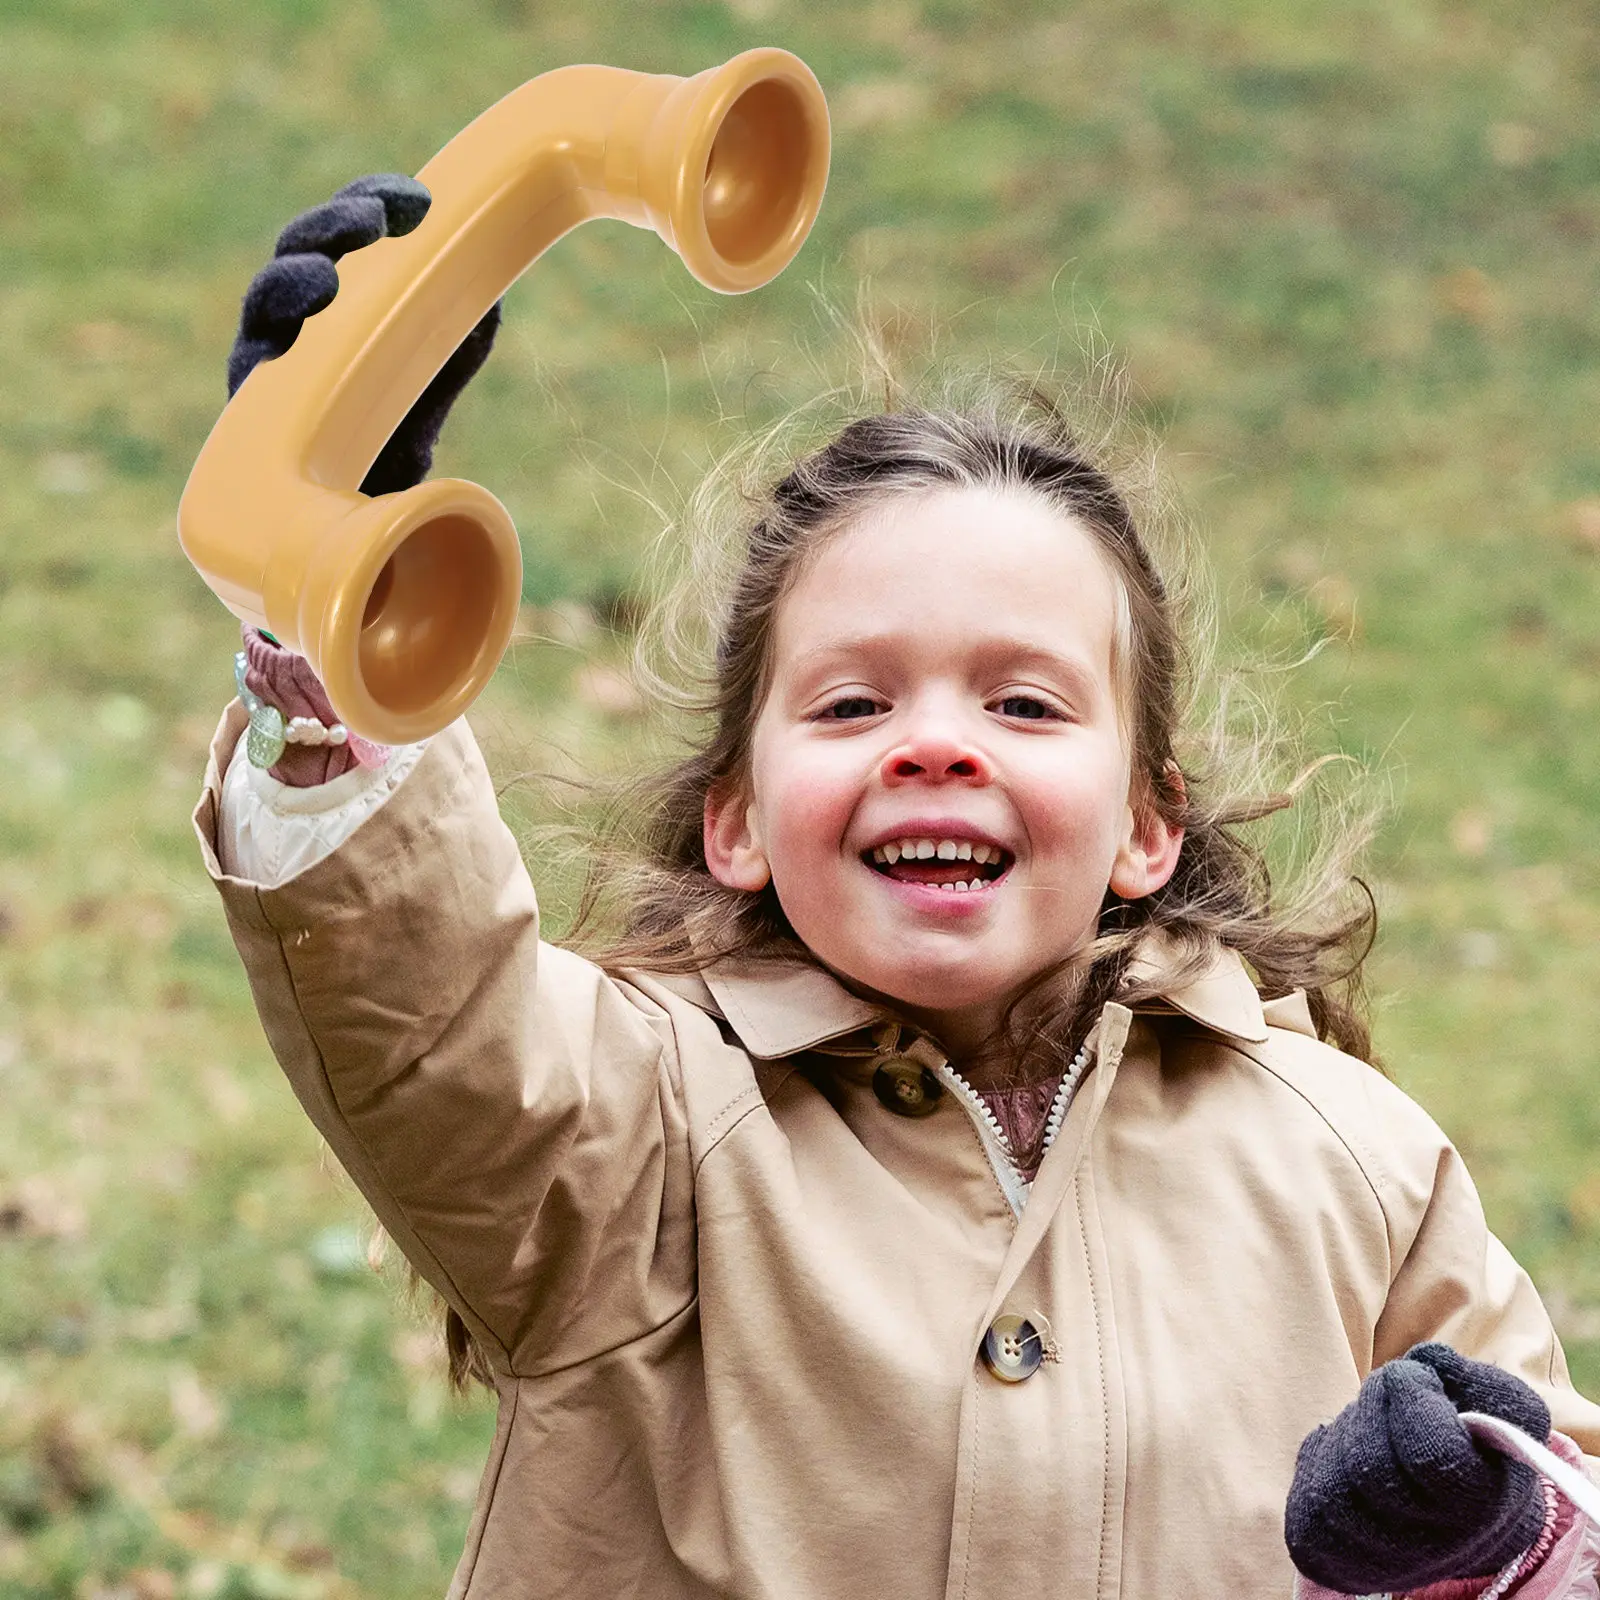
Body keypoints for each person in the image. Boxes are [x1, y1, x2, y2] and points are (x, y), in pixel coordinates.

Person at [194, 175, 1600, 1600]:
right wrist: (337, 598)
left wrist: (1481, 1555)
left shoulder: (1354, 1164)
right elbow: (421, 1008)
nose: (936, 743)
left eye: (1028, 706)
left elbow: (1558, 1511)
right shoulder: (630, 1130)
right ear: (737, 818)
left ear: (1145, 825)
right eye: (856, 704)